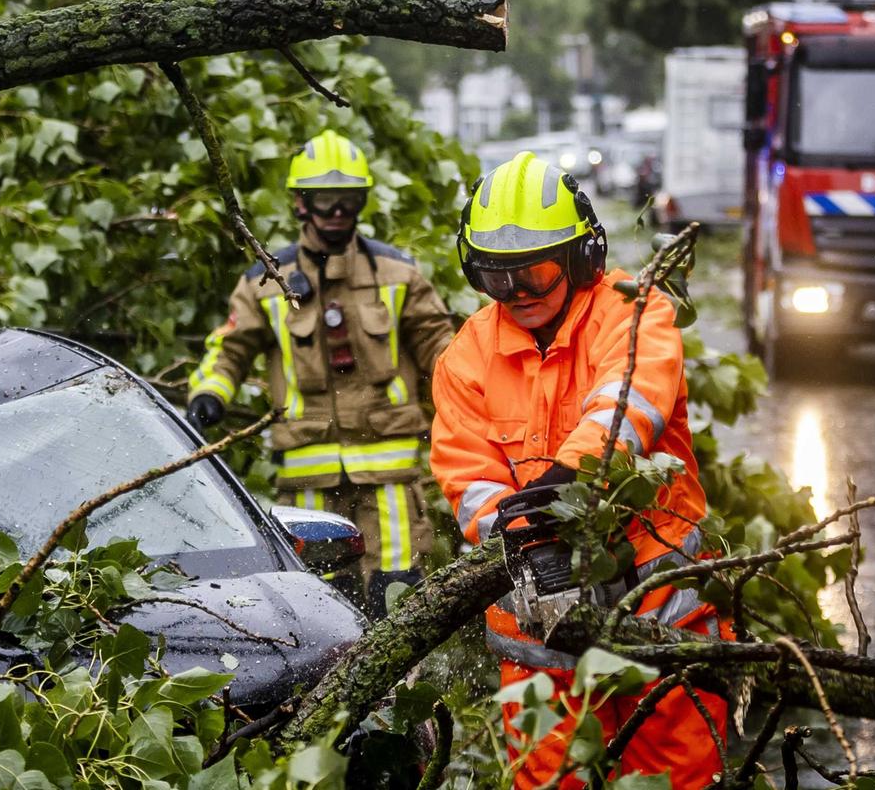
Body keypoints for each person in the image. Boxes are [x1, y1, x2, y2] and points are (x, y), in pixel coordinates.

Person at [429, 151, 725, 790]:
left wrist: (564, 485)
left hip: (657, 608)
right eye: (496, 277)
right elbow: (468, 474)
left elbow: (627, 405)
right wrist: (524, 542)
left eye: (533, 272)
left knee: (677, 779)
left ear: (580, 258)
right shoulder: (467, 356)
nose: (518, 295)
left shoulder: (633, 312)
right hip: (538, 627)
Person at [185, 129, 454, 616]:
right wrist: (209, 395)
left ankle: (403, 693)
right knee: (321, 606)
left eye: (348, 200)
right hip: (307, 487)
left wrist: (473, 398)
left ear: (363, 202)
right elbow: (228, 350)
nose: (337, 213)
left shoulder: (398, 274)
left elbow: (443, 348)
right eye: (325, 200)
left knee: (396, 598)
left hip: (389, 478)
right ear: (300, 204)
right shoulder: (266, 282)